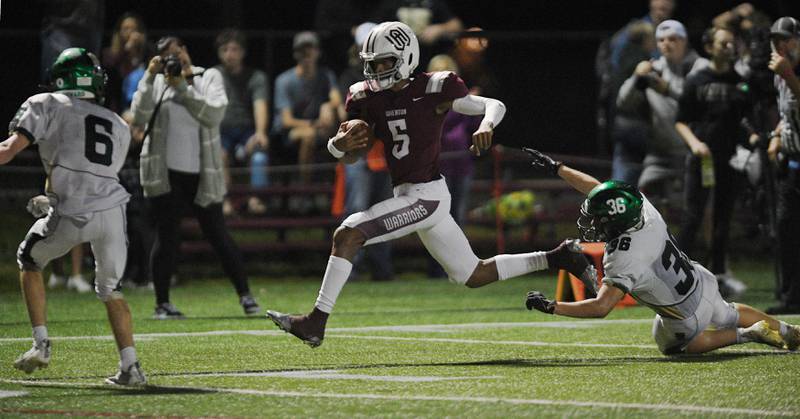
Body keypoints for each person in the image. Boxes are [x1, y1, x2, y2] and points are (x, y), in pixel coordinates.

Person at [265, 22, 597, 348]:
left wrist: (486, 125)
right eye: (372, 64)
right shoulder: (366, 98)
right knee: (472, 274)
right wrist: (338, 144)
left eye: (384, 62)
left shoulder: (434, 88)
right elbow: (351, 156)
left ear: (405, 57)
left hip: (426, 195)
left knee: (348, 232)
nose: (377, 70)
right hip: (414, 195)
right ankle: (559, 256)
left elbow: (494, 105)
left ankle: (315, 322)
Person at [521, 148, 800, 355]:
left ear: (614, 221)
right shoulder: (642, 207)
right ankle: (786, 330)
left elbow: (601, 307)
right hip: (701, 280)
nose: (591, 222)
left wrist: (553, 306)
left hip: (684, 318)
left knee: (671, 346)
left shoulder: (623, 256)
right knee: (728, 312)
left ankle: (745, 336)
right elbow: (599, 190)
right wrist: (559, 167)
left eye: (597, 218)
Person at [3, 48, 146, 384]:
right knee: (111, 289)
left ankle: (41, 344)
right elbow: (87, 166)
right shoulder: (117, 123)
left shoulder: (46, 103)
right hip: (112, 211)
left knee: (29, 259)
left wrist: (57, 200)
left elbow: (9, 151)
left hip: (74, 211)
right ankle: (131, 367)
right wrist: (51, 196)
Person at [131, 36, 261, 318]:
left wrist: (183, 88)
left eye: (178, 52)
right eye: (167, 56)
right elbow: (138, 116)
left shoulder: (208, 76)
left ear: (186, 50)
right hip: (167, 174)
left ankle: (246, 296)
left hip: (203, 175)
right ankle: (162, 303)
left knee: (218, 235)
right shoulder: (157, 83)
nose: (175, 59)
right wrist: (150, 76)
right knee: (167, 237)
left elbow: (213, 114)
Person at [674, 26, 753, 298]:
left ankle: (718, 275)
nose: (728, 48)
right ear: (709, 47)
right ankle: (677, 274)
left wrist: (751, 139)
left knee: (723, 218)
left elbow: (743, 120)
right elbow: (681, 121)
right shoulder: (697, 80)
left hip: (728, 159)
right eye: (723, 44)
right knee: (694, 215)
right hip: (702, 159)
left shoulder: (738, 80)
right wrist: (695, 144)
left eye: (731, 44)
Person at [616, 20, 706, 203]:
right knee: (643, 202)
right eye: (661, 40)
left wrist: (668, 90)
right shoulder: (654, 69)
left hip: (694, 150)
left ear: (684, 41)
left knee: (697, 206)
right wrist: (636, 76)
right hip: (660, 154)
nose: (667, 44)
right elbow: (622, 102)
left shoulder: (700, 67)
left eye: (673, 39)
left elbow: (701, 106)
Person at [272, 31, 340, 185]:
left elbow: (337, 100)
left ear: (318, 52)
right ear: (296, 54)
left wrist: (327, 105)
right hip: (288, 133)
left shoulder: (326, 75)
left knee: (342, 127)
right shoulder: (284, 80)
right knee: (309, 135)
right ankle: (305, 189)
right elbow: (286, 121)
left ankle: (336, 187)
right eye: (303, 50)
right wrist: (314, 124)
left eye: (311, 49)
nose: (307, 54)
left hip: (318, 127)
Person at [215, 29, 270, 216]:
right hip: (220, 132)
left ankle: (256, 200)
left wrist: (261, 132)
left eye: (234, 49)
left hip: (247, 131)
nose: (230, 54)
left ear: (243, 52)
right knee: (217, 153)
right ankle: (225, 201)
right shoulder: (212, 75)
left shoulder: (256, 77)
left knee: (259, 156)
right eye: (225, 49)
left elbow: (259, 104)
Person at [766, 17, 800, 314]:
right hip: (792, 164)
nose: (780, 44)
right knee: (787, 231)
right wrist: (777, 135)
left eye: (785, 38)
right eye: (776, 39)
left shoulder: (786, 70)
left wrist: (790, 75)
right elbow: (787, 113)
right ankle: (791, 298)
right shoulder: (779, 72)